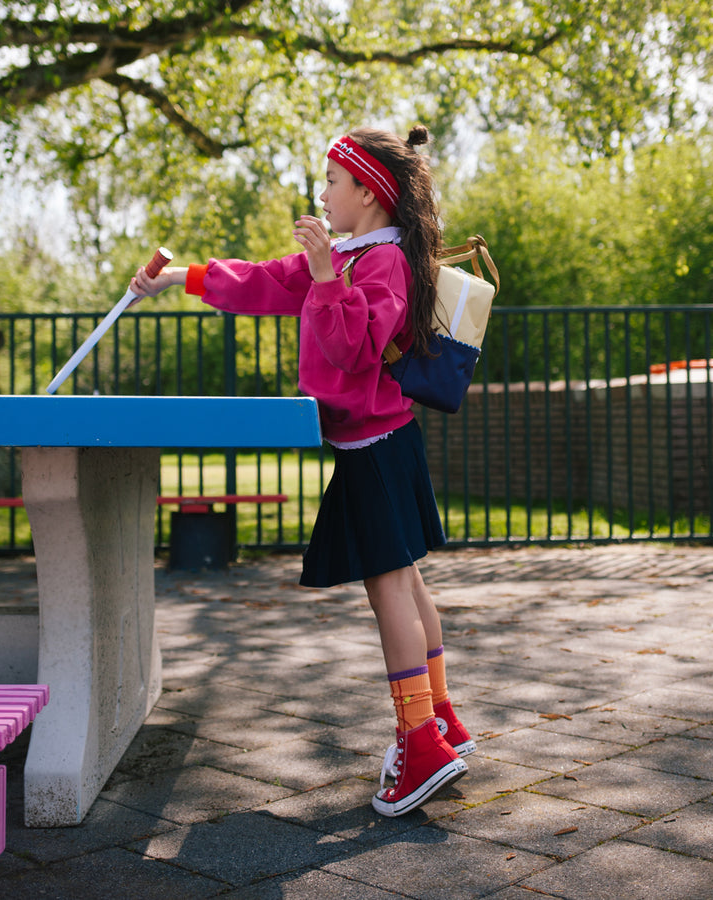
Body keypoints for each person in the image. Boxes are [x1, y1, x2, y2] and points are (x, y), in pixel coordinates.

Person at [130, 125, 476, 816]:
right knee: (407, 583)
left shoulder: (382, 263)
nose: (322, 194)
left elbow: (355, 349)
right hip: (379, 445)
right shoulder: (348, 255)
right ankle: (441, 721)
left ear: (367, 193)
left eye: (331, 182)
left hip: (376, 448)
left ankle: (421, 743)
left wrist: (323, 278)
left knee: (389, 589)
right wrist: (179, 277)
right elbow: (261, 281)